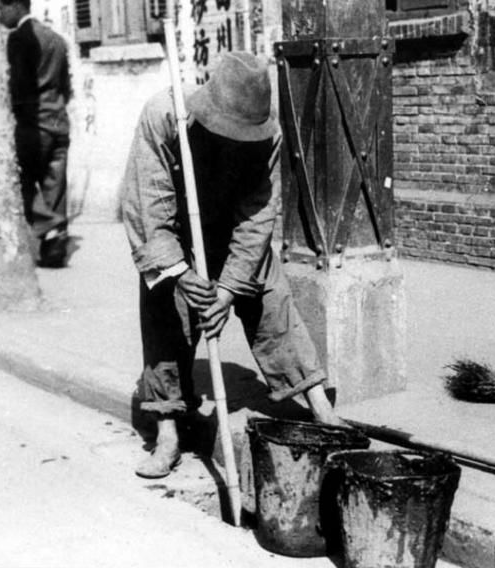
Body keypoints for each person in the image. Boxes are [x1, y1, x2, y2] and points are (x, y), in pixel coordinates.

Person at [121, 51, 343, 479]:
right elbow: (148, 206)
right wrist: (180, 274)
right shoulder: (165, 115)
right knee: (165, 312)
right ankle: (168, 432)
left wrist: (227, 290)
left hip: (231, 228)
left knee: (272, 295)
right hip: (175, 233)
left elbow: (258, 212)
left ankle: (319, 404)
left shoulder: (267, 134)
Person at [0, 0, 72, 268]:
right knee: (55, 186)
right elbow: (66, 86)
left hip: (33, 124)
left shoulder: (19, 38)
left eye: (1, 7)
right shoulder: (57, 39)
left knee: (20, 182)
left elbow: (18, 85)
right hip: (59, 123)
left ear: (15, 6)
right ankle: (55, 248)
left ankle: (49, 227)